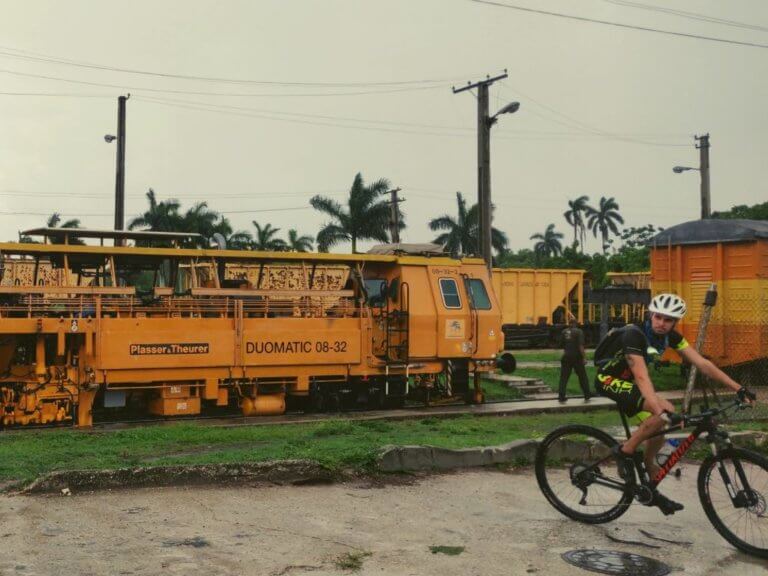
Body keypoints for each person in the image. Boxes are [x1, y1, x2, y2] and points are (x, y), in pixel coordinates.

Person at [594, 293, 756, 515]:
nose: (662, 323)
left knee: (659, 427)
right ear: (651, 315)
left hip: (630, 382)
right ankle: (624, 451)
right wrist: (659, 409)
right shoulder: (634, 335)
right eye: (658, 317)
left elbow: (702, 363)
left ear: (675, 322)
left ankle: (649, 477)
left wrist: (738, 387)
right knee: (664, 411)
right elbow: (641, 377)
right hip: (610, 380)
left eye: (668, 320)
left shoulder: (672, 337)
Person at [557, 319, 590, 402]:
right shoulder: (579, 332)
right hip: (577, 357)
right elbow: (581, 346)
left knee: (564, 377)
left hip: (566, 357)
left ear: (569, 324)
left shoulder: (564, 332)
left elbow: (561, 344)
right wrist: (584, 357)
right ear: (576, 324)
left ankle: (561, 396)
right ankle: (587, 394)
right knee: (582, 376)